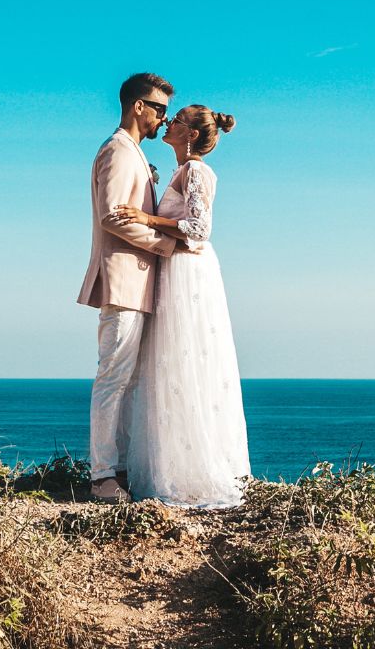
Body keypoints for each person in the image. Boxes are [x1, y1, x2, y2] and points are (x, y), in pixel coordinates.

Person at [110, 105, 251, 507]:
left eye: (178, 120)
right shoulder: (178, 171)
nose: (168, 123)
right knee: (169, 364)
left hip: (189, 270)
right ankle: (171, 466)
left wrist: (146, 219)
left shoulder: (196, 171)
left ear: (190, 134)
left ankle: (195, 472)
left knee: (188, 360)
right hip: (173, 268)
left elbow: (199, 228)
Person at [77, 73, 181, 504]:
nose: (164, 118)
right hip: (123, 280)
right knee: (113, 378)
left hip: (139, 284)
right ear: (138, 107)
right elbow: (113, 218)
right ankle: (102, 474)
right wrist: (168, 246)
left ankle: (117, 469)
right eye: (159, 109)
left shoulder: (134, 153)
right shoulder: (118, 151)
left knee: (130, 381)